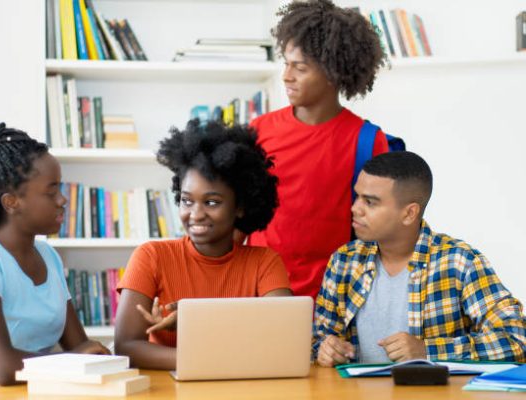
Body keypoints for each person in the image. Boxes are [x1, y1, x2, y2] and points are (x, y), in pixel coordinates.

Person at [0, 121, 109, 385]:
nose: (63, 200)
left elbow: (79, 345)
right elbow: (2, 367)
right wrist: (72, 360)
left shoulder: (49, 257)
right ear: (11, 202)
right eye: (52, 191)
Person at [313, 151, 526, 366]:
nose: (355, 208)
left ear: (409, 213)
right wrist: (325, 350)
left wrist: (428, 351)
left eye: (370, 202)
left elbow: (516, 339)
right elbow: (317, 340)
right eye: (357, 196)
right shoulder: (343, 262)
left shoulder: (459, 262)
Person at [114, 121, 292, 370]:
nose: (195, 214)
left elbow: (283, 338)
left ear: (240, 206)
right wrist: (208, 359)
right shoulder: (151, 256)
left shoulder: (265, 263)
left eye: (211, 202)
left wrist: (194, 324)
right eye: (187, 201)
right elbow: (126, 346)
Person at [247, 0, 390, 299]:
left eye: (299, 67)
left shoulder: (367, 141)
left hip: (335, 300)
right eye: (285, 63)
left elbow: (379, 230)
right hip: (258, 293)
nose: (287, 76)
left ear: (332, 72)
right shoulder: (259, 131)